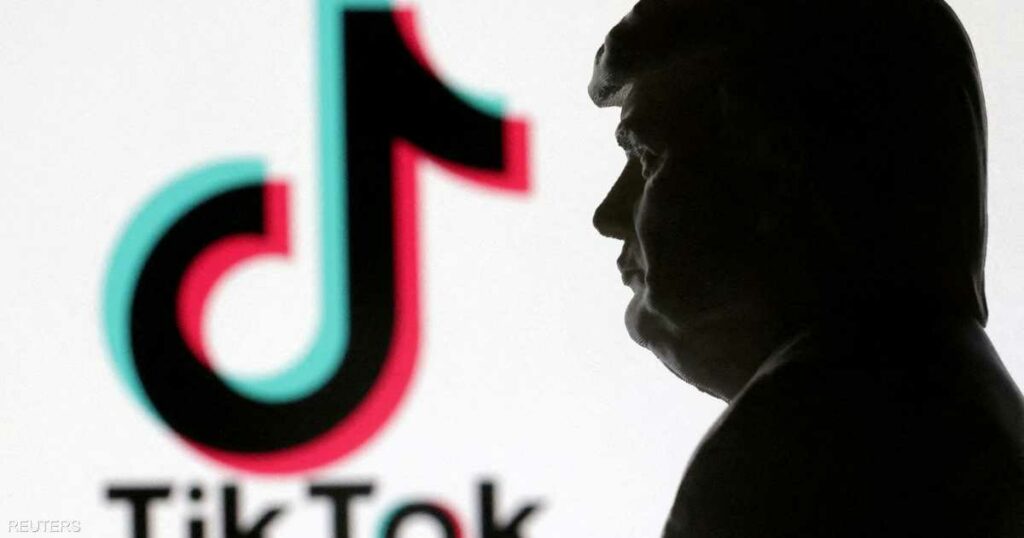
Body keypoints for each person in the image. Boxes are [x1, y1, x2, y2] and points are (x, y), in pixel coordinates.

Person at [589, 0, 1024, 535]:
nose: (607, 216)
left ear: (779, 163)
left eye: (648, 158)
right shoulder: (953, 411)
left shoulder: (801, 444)